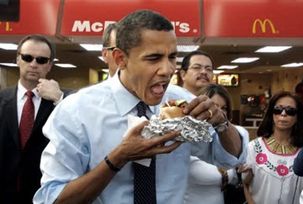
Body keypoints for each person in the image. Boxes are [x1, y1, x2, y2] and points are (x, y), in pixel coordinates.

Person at [33, 10, 247, 204]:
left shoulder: (183, 101)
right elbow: (54, 199)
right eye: (154, 58)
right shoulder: (76, 111)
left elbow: (231, 157)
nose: (167, 69)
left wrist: (221, 123)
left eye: (172, 57)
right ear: (120, 58)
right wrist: (118, 157)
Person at [0, 34, 68, 204]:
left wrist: (59, 99)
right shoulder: (1, 100)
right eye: (27, 57)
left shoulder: (65, 101)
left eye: (41, 60)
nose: (33, 64)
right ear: (18, 59)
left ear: (50, 65)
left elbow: (77, 134)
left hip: (44, 193)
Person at [184, 84, 248, 204]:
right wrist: (228, 175)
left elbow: (239, 163)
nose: (217, 112)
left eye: (223, 108)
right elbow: (191, 170)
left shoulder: (237, 132)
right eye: (213, 106)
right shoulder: (184, 134)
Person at [242, 91, 303, 204]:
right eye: (278, 109)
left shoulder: (302, 152)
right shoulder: (253, 148)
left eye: (290, 111)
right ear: (271, 113)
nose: (283, 114)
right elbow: (245, 185)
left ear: (298, 117)